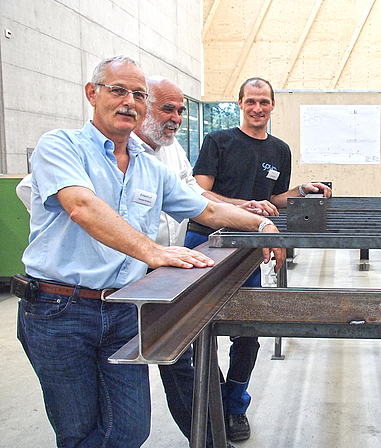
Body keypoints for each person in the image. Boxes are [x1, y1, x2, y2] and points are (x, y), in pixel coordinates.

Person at [14, 55, 284, 448]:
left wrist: (262, 226)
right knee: (77, 429)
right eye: (118, 90)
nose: (129, 101)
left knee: (131, 427)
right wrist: (153, 252)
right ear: (93, 93)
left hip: (123, 309)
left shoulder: (151, 166)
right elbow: (81, 207)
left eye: (138, 94)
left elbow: (206, 208)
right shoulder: (60, 146)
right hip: (61, 311)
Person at [179, 76, 331, 442]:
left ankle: (234, 407)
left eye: (264, 102)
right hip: (207, 243)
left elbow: (274, 198)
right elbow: (199, 193)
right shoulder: (218, 142)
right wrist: (244, 207)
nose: (257, 108)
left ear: (273, 105)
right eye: (251, 101)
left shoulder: (279, 150)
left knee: (248, 333)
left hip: (250, 249)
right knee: (199, 329)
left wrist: (301, 191)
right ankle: (210, 395)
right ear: (240, 104)